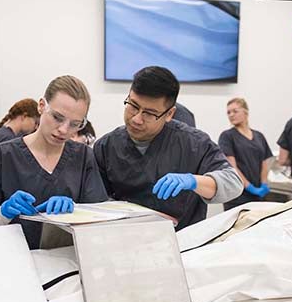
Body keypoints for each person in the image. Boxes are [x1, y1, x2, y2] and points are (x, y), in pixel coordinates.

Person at [94, 66, 243, 230]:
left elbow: (234, 184)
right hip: (126, 239)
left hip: (184, 244)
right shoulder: (106, 147)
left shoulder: (193, 144)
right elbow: (96, 200)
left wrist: (193, 181)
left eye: (149, 113)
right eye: (133, 105)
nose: (136, 119)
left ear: (169, 114)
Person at [0, 75, 108, 249]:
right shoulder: (3, 155)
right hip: (15, 260)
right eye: (57, 117)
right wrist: (4, 212)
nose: (64, 130)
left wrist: (75, 210)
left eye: (75, 124)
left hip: (66, 261)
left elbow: (99, 219)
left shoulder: (83, 156)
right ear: (42, 106)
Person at [218, 97, 273, 210]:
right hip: (238, 196)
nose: (231, 115)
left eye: (235, 111)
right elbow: (232, 166)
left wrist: (263, 184)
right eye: (228, 112)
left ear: (246, 112)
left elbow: (264, 163)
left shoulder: (259, 136)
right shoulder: (227, 136)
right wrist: (249, 187)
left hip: (258, 197)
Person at [0, 98, 40, 176]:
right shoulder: (7, 139)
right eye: (36, 122)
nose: (36, 127)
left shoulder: (0, 133)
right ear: (24, 116)